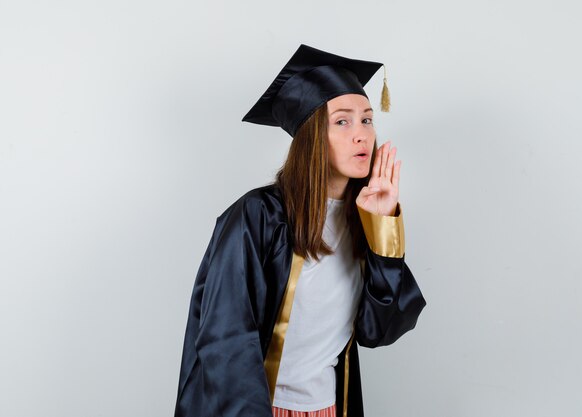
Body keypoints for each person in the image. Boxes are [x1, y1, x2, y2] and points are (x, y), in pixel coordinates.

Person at [174, 44, 426, 417]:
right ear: (310, 136)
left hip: (330, 408)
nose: (361, 134)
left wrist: (384, 227)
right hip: (258, 408)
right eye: (342, 121)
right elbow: (225, 340)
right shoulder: (257, 216)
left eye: (367, 120)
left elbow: (381, 331)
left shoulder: (365, 218)